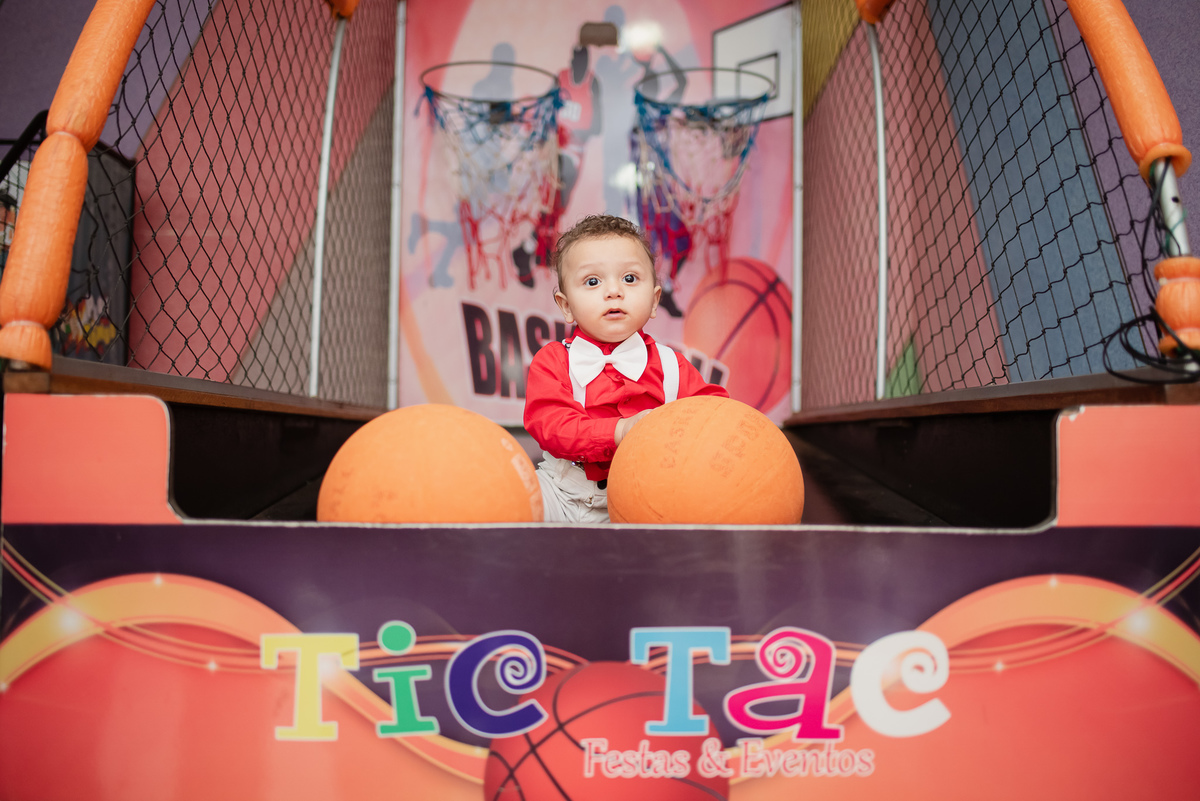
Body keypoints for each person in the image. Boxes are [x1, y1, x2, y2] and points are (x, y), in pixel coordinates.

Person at [524, 214, 727, 523]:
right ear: (566, 306)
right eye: (593, 282)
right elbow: (552, 426)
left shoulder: (672, 366)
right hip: (560, 491)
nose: (614, 291)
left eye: (629, 279)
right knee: (507, 507)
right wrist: (618, 431)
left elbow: (715, 417)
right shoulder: (553, 361)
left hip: (641, 498)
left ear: (655, 300)